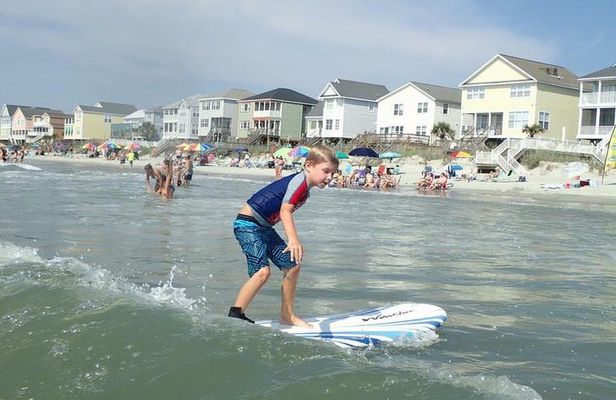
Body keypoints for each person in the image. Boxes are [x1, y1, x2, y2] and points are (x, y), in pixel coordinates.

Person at [228, 145, 339, 326]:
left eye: (333, 174)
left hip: (262, 227)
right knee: (262, 272)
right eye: (326, 171)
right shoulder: (300, 182)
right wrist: (293, 239)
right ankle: (235, 316)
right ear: (309, 165)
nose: (329, 177)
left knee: (292, 267)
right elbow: (285, 210)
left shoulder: (304, 188)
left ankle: (287, 316)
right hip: (247, 224)